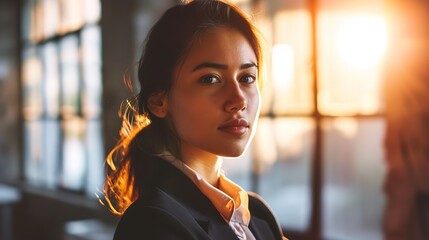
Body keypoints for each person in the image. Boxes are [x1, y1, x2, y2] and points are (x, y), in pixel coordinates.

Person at [103, 0, 286, 239]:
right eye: (210, 79)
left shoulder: (258, 216)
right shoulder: (152, 225)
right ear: (159, 101)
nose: (238, 100)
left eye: (247, 78)